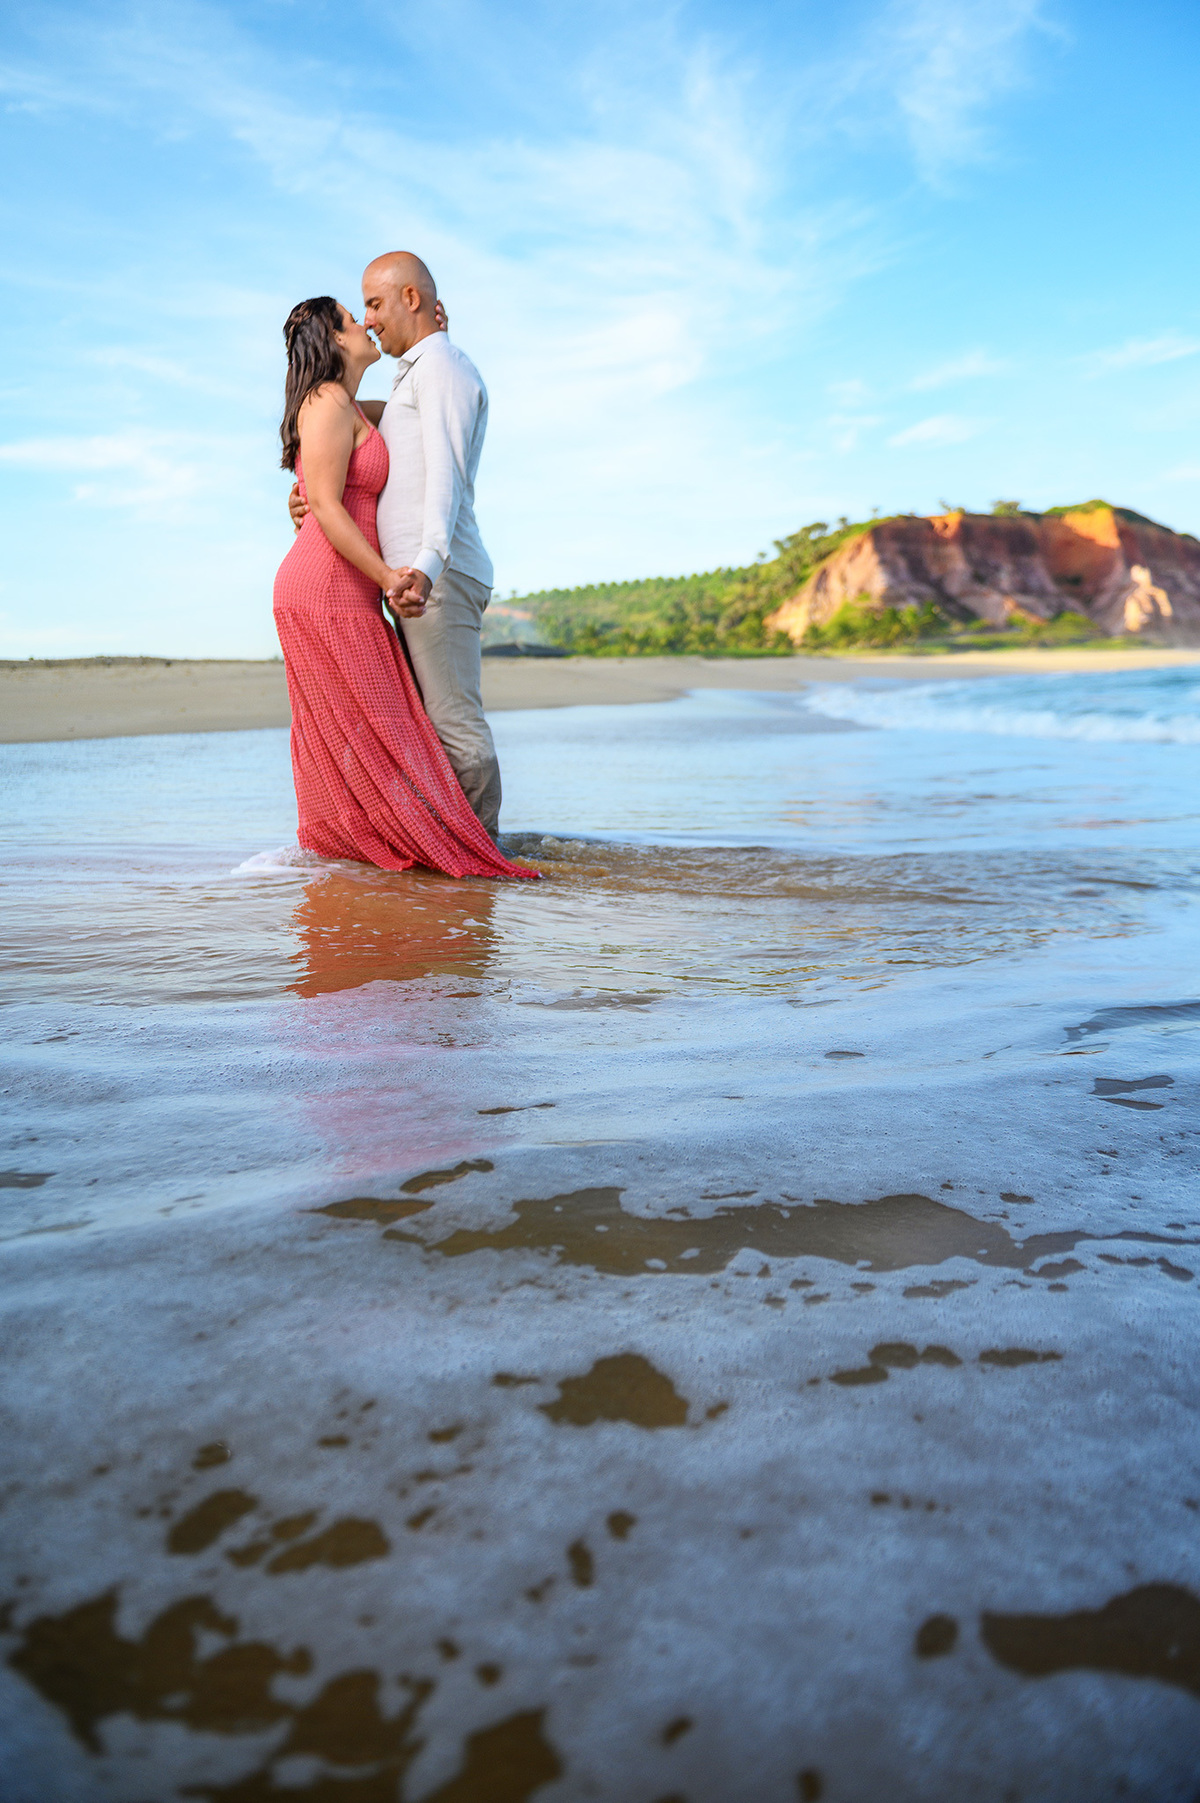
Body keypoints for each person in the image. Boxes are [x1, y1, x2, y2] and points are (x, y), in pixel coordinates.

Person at [272, 295, 535, 882]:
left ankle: (393, 855)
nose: (365, 322)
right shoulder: (326, 401)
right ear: (336, 340)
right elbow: (325, 502)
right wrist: (389, 573)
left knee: (383, 721)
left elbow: (420, 405)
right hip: (327, 587)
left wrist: (435, 345)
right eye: (352, 316)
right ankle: (434, 856)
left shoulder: (357, 404)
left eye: (370, 307)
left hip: (350, 587)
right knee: (366, 722)